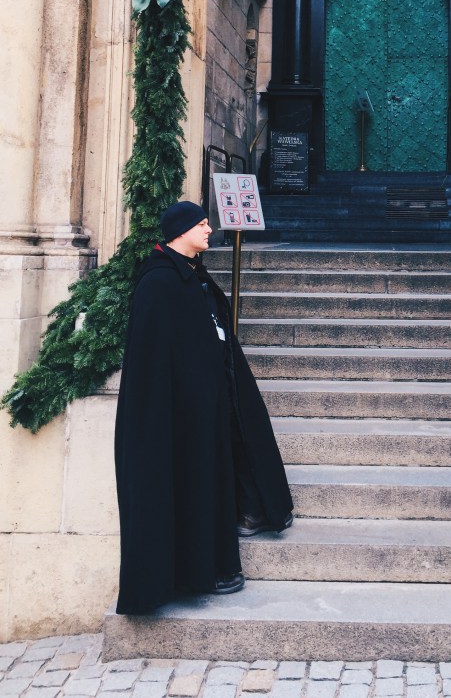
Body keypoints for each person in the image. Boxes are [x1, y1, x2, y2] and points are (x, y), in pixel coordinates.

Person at [114, 201, 293, 615]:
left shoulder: (193, 274)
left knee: (224, 464)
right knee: (192, 484)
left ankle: (250, 516)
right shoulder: (159, 282)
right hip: (180, 411)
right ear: (181, 231)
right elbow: (154, 359)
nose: (210, 229)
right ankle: (198, 573)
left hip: (210, 398)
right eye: (202, 224)